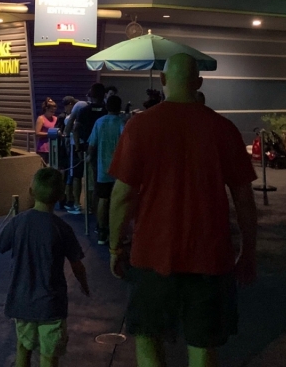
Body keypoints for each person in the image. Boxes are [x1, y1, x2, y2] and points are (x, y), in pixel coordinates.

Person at [108, 53, 258, 367]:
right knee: (203, 347)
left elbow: (122, 195)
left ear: (163, 81)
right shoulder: (223, 128)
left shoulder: (140, 126)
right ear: (199, 83)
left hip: (151, 255)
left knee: (148, 339)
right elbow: (244, 196)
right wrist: (248, 249)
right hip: (210, 257)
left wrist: (114, 245)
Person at [0, 167, 89, 367]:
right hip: (51, 305)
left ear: (31, 192)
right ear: (61, 196)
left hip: (22, 302)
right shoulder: (62, 229)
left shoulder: (19, 222)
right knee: (49, 355)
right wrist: (84, 284)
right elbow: (77, 264)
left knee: (23, 347)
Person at [87, 95, 126, 245]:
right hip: (119, 169)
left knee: (103, 199)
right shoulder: (122, 122)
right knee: (118, 200)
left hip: (103, 167)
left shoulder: (100, 122)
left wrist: (89, 157)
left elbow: (92, 143)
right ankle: (115, 232)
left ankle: (101, 231)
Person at [64, 84, 106, 216]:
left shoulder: (84, 110)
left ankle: (87, 207)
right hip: (104, 149)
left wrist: (77, 147)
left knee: (85, 179)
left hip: (86, 147)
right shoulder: (106, 110)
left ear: (91, 95)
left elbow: (75, 129)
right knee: (99, 180)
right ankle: (97, 208)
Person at [35, 99, 58, 164]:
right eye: (51, 111)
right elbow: (37, 133)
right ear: (46, 109)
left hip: (53, 148)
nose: (53, 113)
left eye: (54, 111)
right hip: (43, 149)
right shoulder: (41, 118)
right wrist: (50, 134)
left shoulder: (55, 118)